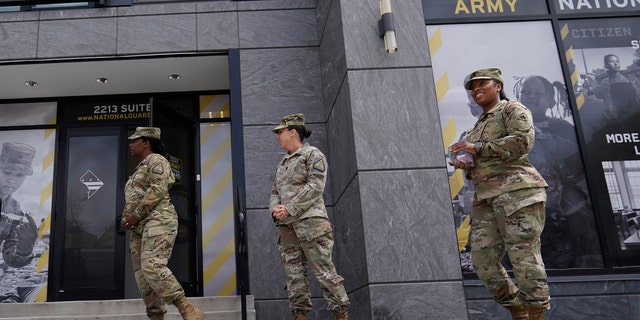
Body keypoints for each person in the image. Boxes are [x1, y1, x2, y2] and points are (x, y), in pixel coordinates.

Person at [449, 68, 550, 320]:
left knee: (523, 255)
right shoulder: (476, 127)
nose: (476, 89)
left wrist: (478, 148)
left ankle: (536, 313)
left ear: (498, 86)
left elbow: (521, 142)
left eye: (482, 83)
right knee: (482, 262)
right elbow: (479, 157)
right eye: (472, 86)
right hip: (486, 199)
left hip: (519, 192)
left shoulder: (512, 109)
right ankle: (519, 311)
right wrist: (467, 163)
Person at [269, 114, 349, 320]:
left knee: (324, 272)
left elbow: (315, 186)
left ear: (293, 131)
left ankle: (341, 315)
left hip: (311, 224)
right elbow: (274, 192)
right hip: (287, 228)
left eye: (280, 132)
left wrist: (289, 208)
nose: (278, 136)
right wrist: (275, 209)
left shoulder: (313, 155)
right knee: (294, 277)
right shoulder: (282, 164)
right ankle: (300, 316)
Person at [516, 75, 602, 268]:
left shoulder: (560, 126)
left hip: (559, 190)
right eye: (526, 92)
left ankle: (589, 266)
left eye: (538, 93)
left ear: (550, 101)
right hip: (518, 194)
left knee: (582, 215)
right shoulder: (505, 126)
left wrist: (549, 140)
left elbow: (578, 156)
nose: (531, 96)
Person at [121, 127, 203, 320]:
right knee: (144, 279)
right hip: (140, 228)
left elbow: (157, 189)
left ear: (147, 143)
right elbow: (135, 197)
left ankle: (187, 309)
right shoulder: (139, 168)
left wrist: (136, 215)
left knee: (152, 266)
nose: (131, 144)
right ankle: (156, 316)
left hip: (158, 221)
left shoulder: (157, 160)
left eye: (135, 141)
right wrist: (128, 218)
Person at [0, 142, 39, 303]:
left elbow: (12, 261)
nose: (12, 180)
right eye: (7, 172)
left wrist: (25, 246)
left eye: (19, 175)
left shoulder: (15, 209)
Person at [595, 53, 640, 123]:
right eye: (611, 61)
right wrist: (595, 83)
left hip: (636, 116)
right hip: (618, 119)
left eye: (617, 61)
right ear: (606, 65)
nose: (616, 63)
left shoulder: (631, 79)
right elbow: (598, 95)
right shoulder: (605, 82)